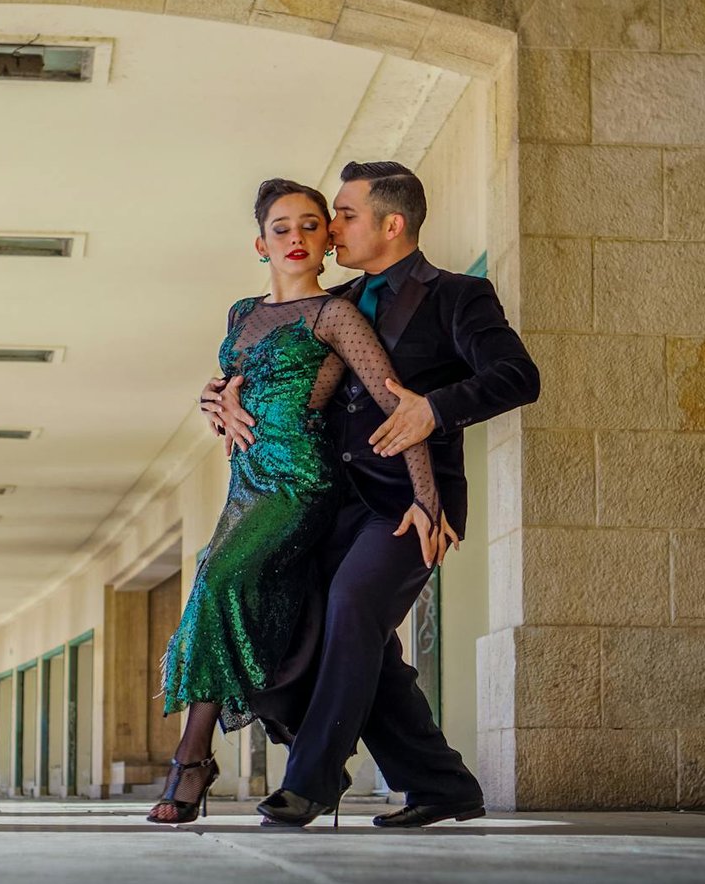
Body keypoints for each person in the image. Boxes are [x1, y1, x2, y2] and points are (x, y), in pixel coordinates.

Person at [202, 161, 541, 828]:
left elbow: (517, 376)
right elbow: (280, 371)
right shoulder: (336, 301)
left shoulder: (458, 295)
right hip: (328, 502)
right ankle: (442, 786)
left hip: (412, 504)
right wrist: (221, 393)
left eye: (345, 214)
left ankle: (314, 779)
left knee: (355, 605)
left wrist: (435, 410)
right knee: (359, 644)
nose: (332, 228)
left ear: (391, 223)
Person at [147, 178, 450, 825]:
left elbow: (401, 403)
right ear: (261, 243)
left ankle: (191, 759)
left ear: (329, 240)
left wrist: (428, 499)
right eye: (281, 228)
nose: (296, 238)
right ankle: (220, 759)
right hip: (245, 483)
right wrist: (216, 397)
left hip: (298, 483)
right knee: (220, 591)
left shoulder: (336, 313)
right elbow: (235, 378)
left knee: (219, 579)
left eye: (311, 226)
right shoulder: (239, 313)